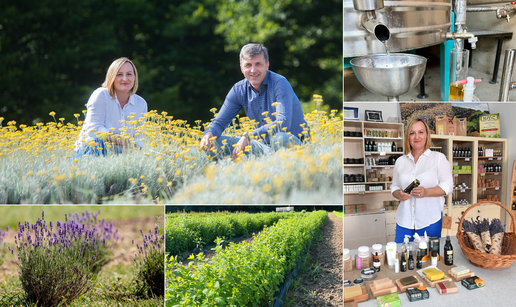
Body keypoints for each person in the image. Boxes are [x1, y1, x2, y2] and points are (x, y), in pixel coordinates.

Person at [200, 43, 310, 160]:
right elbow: (219, 123)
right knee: (215, 144)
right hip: (262, 148)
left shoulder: (280, 83)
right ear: (242, 68)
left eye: (258, 64)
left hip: (294, 145)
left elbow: (283, 123)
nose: (253, 70)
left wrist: (248, 136)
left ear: (267, 66)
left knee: (280, 138)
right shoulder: (238, 90)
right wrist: (209, 133)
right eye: (248, 65)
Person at [390, 118, 453, 243]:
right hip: (404, 222)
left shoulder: (438, 158)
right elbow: (394, 186)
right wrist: (399, 194)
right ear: (408, 137)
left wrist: (426, 192)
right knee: (403, 258)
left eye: (421, 132)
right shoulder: (400, 161)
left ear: (427, 135)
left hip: (430, 221)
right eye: (412, 133)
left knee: (429, 259)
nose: (416, 137)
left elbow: (448, 186)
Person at [75, 57, 148, 156]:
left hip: (118, 158)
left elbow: (139, 140)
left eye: (129, 74)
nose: (125, 79)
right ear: (111, 77)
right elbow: (94, 130)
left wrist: (133, 149)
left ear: (135, 77)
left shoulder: (141, 103)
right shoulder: (101, 95)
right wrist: (123, 141)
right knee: (96, 141)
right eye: (119, 74)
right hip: (89, 155)